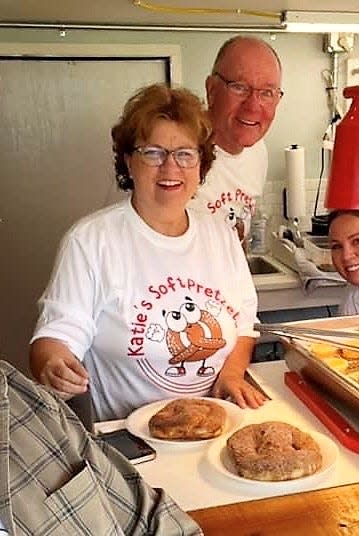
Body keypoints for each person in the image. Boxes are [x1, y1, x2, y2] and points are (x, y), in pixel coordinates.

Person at [29, 83, 266, 421]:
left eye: (185, 153)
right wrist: (53, 365)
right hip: (129, 446)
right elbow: (56, 337)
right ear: (128, 161)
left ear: (201, 164)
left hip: (215, 429)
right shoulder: (91, 241)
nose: (171, 168)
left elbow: (244, 322)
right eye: (153, 153)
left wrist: (231, 374)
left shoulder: (220, 235)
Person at [0, 360, 201, 535]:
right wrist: (55, 365)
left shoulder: (26, 403)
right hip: (119, 418)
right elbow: (55, 341)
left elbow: (151, 523)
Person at [188, 36, 283, 248]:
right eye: (239, 87)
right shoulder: (177, 153)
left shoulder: (258, 152)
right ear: (211, 90)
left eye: (267, 93)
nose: (253, 106)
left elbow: (238, 236)